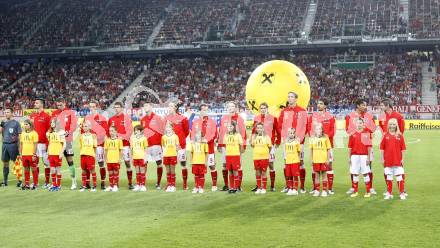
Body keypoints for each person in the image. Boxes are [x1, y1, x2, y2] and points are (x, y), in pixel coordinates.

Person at [278, 92, 308, 193]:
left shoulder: (302, 111)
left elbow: (305, 126)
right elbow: (280, 126)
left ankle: (302, 186)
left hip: (299, 142)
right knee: (287, 162)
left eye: (291, 97)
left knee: (301, 162)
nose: (290, 98)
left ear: (296, 99)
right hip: (287, 142)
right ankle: (288, 186)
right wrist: (285, 138)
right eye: (288, 97)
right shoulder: (284, 111)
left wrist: (299, 139)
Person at [345, 99, 377, 195]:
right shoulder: (350, 116)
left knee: (369, 166)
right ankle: (353, 187)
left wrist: (364, 128)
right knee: (353, 167)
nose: (365, 107)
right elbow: (347, 129)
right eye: (363, 105)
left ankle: (370, 187)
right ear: (358, 105)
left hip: (367, 145)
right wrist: (357, 131)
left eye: (365, 105)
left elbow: (374, 128)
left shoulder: (369, 116)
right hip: (355, 144)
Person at [308, 98, 336, 194]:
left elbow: (333, 130)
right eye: (318, 103)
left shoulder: (330, 116)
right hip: (316, 145)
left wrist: (325, 137)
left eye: (321, 104)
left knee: (329, 166)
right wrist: (313, 137)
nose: (318, 105)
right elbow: (309, 128)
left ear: (325, 105)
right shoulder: (313, 116)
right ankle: (315, 187)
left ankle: (330, 188)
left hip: (328, 145)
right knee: (315, 167)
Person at [251, 102, 280, 192]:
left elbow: (278, 131)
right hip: (259, 145)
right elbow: (253, 131)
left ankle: (272, 185)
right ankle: (259, 185)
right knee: (258, 167)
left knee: (271, 165)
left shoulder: (273, 118)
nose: (263, 109)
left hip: (269, 145)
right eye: (261, 108)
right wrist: (251, 140)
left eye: (264, 108)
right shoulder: (256, 118)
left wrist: (277, 142)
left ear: (267, 108)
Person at [217, 101, 246, 191]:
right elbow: (221, 132)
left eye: (232, 106)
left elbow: (243, 132)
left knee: (238, 166)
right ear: (227, 108)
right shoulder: (224, 118)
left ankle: (238, 186)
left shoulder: (239, 118)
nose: (230, 108)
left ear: (235, 108)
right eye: (229, 106)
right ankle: (227, 185)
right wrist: (219, 144)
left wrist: (243, 146)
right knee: (225, 165)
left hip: (236, 147)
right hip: (225, 146)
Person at [190, 104, 218, 191]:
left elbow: (215, 134)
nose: (205, 112)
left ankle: (214, 185)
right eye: (203, 110)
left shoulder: (212, 122)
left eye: (206, 110)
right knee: (198, 167)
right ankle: (198, 185)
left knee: (211, 165)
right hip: (198, 150)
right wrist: (194, 141)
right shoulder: (196, 122)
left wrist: (207, 140)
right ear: (200, 111)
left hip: (209, 148)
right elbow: (192, 134)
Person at [51, 98, 77, 190]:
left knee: (69, 160)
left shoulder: (70, 112)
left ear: (64, 103)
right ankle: (57, 184)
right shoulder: (54, 113)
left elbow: (74, 124)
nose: (59, 107)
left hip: (67, 140)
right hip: (56, 142)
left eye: (61, 105)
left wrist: (68, 132)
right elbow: (52, 125)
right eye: (58, 105)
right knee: (56, 162)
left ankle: (74, 182)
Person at [84, 100, 109, 190]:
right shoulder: (87, 118)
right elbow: (83, 131)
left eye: (93, 106)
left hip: (99, 145)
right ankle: (87, 183)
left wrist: (97, 136)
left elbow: (105, 131)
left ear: (97, 107)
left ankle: (103, 183)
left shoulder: (102, 118)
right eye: (90, 107)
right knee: (88, 165)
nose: (92, 108)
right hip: (88, 146)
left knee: (101, 163)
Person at [108, 102, 133, 189]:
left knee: (127, 163)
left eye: (118, 107)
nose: (116, 109)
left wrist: (123, 138)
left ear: (122, 108)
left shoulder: (127, 118)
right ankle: (115, 184)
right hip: (114, 146)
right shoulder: (111, 119)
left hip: (125, 145)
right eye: (115, 107)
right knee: (115, 164)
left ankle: (130, 183)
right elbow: (109, 132)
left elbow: (130, 131)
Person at [164, 102, 189, 190]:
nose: (169, 107)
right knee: (169, 166)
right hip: (170, 147)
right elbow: (165, 131)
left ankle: (185, 184)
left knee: (183, 164)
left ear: (175, 107)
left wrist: (180, 140)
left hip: (181, 146)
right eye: (169, 106)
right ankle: (170, 184)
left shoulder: (183, 118)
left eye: (171, 106)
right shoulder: (166, 118)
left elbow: (186, 132)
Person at [380, 118, 407, 200]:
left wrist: (403, 159)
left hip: (397, 160)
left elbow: (403, 149)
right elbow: (381, 149)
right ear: (388, 125)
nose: (392, 126)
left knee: (399, 177)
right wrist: (382, 159)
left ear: (396, 125)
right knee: (389, 177)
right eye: (391, 124)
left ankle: (402, 193)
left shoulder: (400, 135)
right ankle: (389, 193)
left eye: (394, 124)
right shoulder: (385, 135)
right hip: (388, 160)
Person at [140, 102, 165, 190]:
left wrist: (162, 144)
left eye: (147, 105)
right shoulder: (142, 119)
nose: (145, 107)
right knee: (144, 163)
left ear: (151, 107)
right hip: (146, 145)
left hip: (156, 145)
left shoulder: (157, 118)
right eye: (144, 106)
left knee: (158, 163)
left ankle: (158, 183)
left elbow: (162, 131)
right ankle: (142, 183)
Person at [348, 118, 373, 198]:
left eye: (360, 123)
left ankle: (368, 192)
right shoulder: (352, 134)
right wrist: (349, 158)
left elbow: (369, 147)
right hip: (354, 156)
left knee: (365, 173)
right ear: (356, 124)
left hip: (364, 156)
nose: (359, 124)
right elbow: (350, 148)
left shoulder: (366, 134)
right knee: (355, 173)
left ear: (363, 124)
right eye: (358, 123)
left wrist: (368, 158)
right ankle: (355, 192)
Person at [29, 99, 51, 188]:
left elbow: (49, 131)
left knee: (46, 163)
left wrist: (47, 144)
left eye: (37, 103)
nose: (35, 104)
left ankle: (47, 182)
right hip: (34, 144)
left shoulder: (47, 116)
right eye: (35, 102)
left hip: (44, 144)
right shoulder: (32, 116)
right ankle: (36, 182)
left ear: (42, 104)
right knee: (35, 163)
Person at [309, 124, 332, 197]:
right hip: (316, 160)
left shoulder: (326, 138)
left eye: (320, 129)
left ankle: (324, 190)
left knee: (324, 175)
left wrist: (328, 159)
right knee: (317, 176)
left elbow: (328, 149)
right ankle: (317, 190)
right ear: (315, 130)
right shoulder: (312, 138)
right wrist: (311, 159)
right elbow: (311, 150)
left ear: (322, 130)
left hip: (323, 159)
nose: (319, 130)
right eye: (317, 129)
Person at [0, 107, 21, 187]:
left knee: (15, 163)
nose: (6, 114)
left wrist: (19, 147)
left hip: (13, 145)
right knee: (5, 163)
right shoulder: (3, 123)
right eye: (5, 112)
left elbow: (19, 136)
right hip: (5, 145)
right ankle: (5, 181)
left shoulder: (16, 123)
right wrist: (1, 124)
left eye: (8, 112)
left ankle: (19, 180)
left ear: (12, 113)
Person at [250, 122, 272, 194]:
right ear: (256, 129)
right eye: (258, 128)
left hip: (264, 157)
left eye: (261, 128)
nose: (259, 129)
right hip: (256, 157)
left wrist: (265, 153)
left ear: (263, 129)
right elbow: (252, 145)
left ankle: (264, 188)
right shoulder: (254, 137)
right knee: (257, 172)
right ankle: (259, 188)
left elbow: (270, 147)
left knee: (263, 172)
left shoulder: (266, 137)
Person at [223, 121, 244, 194]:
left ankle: (236, 187)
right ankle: (231, 187)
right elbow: (225, 145)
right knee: (230, 171)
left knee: (235, 171)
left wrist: (240, 155)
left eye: (231, 126)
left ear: (234, 127)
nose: (230, 127)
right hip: (228, 155)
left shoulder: (238, 135)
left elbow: (241, 145)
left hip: (235, 155)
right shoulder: (226, 135)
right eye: (228, 126)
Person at [47, 119, 66, 192]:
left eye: (53, 122)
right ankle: (54, 185)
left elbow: (64, 144)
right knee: (52, 170)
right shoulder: (49, 132)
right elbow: (49, 143)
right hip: (51, 153)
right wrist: (48, 152)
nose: (52, 123)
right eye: (51, 122)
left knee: (58, 170)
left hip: (57, 154)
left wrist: (61, 153)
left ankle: (58, 185)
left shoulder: (61, 132)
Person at [19, 119, 39, 190]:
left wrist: (34, 154)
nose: (25, 126)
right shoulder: (22, 133)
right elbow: (21, 144)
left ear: (30, 125)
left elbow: (35, 145)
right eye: (24, 124)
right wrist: (20, 154)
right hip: (24, 154)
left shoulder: (34, 133)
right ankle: (27, 184)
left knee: (34, 169)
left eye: (26, 124)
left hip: (31, 154)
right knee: (26, 169)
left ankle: (35, 184)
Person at [79, 121, 98, 192]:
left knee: (92, 170)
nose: (84, 128)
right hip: (83, 155)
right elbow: (81, 146)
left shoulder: (93, 136)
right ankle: (84, 185)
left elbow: (95, 146)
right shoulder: (81, 136)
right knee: (83, 170)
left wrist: (94, 155)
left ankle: (94, 186)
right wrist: (82, 153)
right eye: (83, 126)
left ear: (90, 127)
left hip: (90, 155)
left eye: (86, 126)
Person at [161, 123, 180, 192]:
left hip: (173, 155)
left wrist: (177, 154)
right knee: (168, 171)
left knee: (172, 170)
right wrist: (163, 154)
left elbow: (177, 146)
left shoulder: (175, 136)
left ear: (172, 128)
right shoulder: (163, 137)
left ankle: (173, 185)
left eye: (169, 127)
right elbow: (163, 146)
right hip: (166, 155)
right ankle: (169, 185)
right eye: (166, 127)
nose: (168, 128)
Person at [104, 126, 123, 192]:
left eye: (112, 131)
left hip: (116, 159)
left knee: (115, 173)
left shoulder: (119, 140)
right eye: (110, 131)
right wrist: (106, 158)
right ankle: (111, 186)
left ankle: (115, 186)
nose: (111, 132)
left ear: (116, 132)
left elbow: (121, 150)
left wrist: (120, 159)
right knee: (110, 173)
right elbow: (106, 150)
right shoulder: (107, 140)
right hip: (109, 159)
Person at [283, 128, 301, 196]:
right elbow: (285, 151)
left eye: (293, 133)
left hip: (295, 161)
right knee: (289, 176)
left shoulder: (296, 141)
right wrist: (285, 159)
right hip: (288, 161)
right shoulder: (286, 142)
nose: (292, 134)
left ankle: (295, 189)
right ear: (288, 134)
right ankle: (290, 188)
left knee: (295, 175)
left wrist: (298, 159)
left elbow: (299, 151)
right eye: (290, 133)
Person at [131, 125, 148, 192]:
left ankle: (143, 185)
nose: (136, 131)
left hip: (141, 157)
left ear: (141, 131)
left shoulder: (144, 138)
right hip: (135, 157)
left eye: (138, 130)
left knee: (142, 172)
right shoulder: (133, 139)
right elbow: (132, 148)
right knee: (137, 172)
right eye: (135, 130)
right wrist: (132, 157)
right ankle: (138, 185)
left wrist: (145, 158)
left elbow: (146, 148)